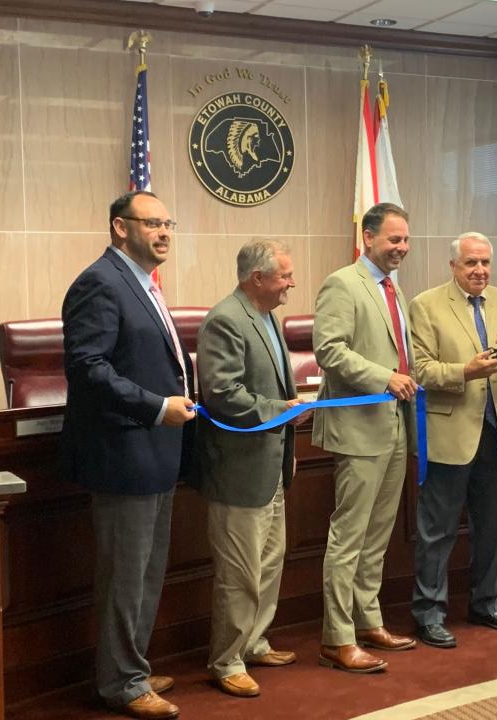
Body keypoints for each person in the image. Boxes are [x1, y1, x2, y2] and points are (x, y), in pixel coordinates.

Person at [61, 190, 195, 720]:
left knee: (147, 571)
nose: (164, 233)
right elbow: (89, 368)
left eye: (168, 223)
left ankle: (130, 667)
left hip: (157, 450)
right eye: (152, 223)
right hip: (123, 450)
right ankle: (120, 681)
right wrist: (155, 406)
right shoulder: (100, 282)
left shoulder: (143, 284)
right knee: (125, 573)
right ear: (121, 227)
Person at [408, 233, 497, 648]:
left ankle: (485, 602)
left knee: (492, 528)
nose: (480, 271)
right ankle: (429, 612)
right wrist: (464, 371)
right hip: (449, 433)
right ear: (453, 267)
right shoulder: (426, 305)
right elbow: (421, 370)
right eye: (471, 264)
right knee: (437, 530)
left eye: (485, 263)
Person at [196, 239, 308, 698]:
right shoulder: (225, 319)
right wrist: (280, 410)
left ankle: (255, 641)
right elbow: (221, 393)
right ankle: (226, 660)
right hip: (239, 473)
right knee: (239, 573)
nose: (292, 283)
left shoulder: (267, 316)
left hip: (272, 468)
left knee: (268, 563)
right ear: (257, 278)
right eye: (284, 276)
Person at [313, 202, 419, 673]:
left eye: (405, 240)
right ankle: (337, 638)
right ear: (368, 238)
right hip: (358, 430)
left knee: (377, 537)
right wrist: (384, 377)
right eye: (393, 239)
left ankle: (368, 620)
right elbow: (329, 350)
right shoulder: (343, 283)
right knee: (349, 537)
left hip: (395, 427)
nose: (402, 248)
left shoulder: (393, 287)